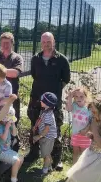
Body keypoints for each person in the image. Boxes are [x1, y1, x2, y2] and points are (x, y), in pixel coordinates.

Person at [25, 32, 70, 171]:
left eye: (48, 41)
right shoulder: (35, 59)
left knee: (54, 130)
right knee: (35, 127)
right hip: (36, 101)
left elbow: (66, 79)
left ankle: (57, 159)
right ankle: (34, 154)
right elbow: (34, 75)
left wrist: (53, 92)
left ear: (53, 42)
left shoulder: (62, 60)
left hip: (53, 104)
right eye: (43, 41)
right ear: (41, 43)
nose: (46, 44)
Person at [0, 32, 23, 124]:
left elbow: (15, 73)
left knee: (12, 121)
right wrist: (6, 72)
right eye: (3, 43)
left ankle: (13, 138)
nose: (5, 45)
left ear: (12, 43)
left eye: (7, 43)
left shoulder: (17, 58)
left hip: (12, 96)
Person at [0, 107, 23, 182]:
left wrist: (13, 124)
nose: (9, 122)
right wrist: (7, 127)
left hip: (7, 150)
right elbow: (3, 138)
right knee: (17, 161)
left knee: (21, 158)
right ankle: (13, 181)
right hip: (1, 152)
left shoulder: (8, 124)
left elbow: (14, 134)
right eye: (8, 120)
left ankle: (12, 176)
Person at [32, 92, 58, 176]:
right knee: (46, 153)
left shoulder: (48, 115)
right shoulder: (45, 111)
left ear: (47, 104)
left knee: (46, 154)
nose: (40, 101)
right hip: (44, 136)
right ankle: (49, 167)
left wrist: (38, 136)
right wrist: (36, 126)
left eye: (42, 101)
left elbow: (47, 129)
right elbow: (40, 120)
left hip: (48, 137)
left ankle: (45, 170)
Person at [66, 87, 92, 164]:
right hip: (75, 135)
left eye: (81, 96)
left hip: (85, 135)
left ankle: (83, 171)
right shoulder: (74, 105)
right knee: (75, 154)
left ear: (86, 97)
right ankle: (74, 171)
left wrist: (86, 130)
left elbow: (92, 122)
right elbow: (68, 109)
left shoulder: (89, 108)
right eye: (76, 96)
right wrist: (70, 96)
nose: (78, 98)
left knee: (84, 155)